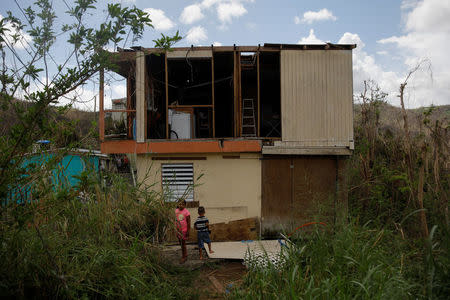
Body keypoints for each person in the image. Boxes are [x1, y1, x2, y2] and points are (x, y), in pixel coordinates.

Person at [175, 199, 191, 264]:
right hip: (178, 230)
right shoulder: (176, 211)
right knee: (181, 243)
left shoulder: (186, 212)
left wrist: (188, 231)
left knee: (183, 244)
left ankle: (184, 257)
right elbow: (175, 220)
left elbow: (189, 222)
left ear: (185, 205)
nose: (180, 205)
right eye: (179, 204)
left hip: (184, 231)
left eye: (182, 204)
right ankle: (185, 254)